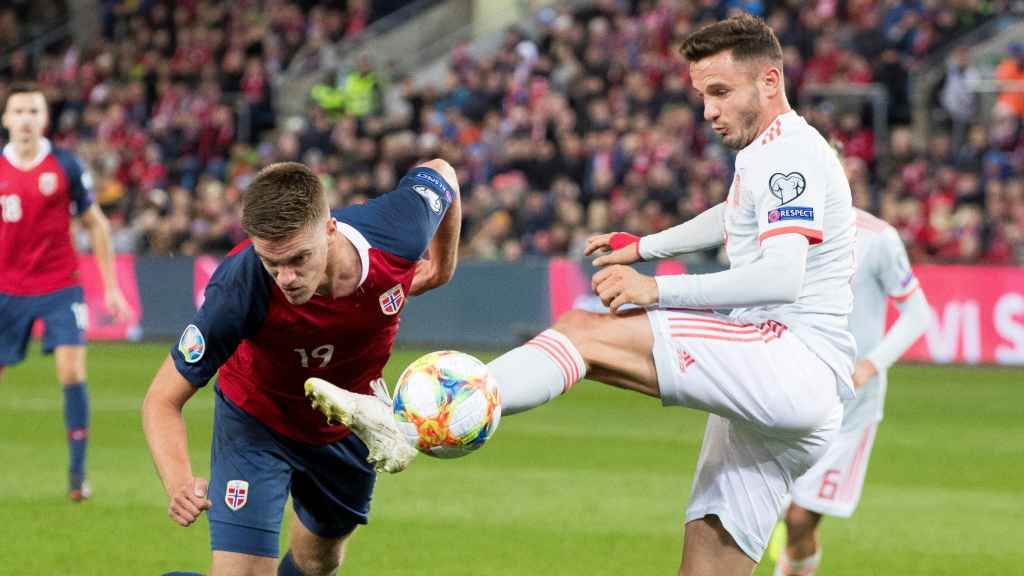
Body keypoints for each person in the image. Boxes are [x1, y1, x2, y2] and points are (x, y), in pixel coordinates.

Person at [311, 14, 855, 576]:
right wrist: (644, 246)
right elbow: (733, 215)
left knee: (585, 332)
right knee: (708, 564)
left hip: (790, 357)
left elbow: (781, 277)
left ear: (770, 82)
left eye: (719, 92)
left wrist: (656, 288)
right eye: (701, 95)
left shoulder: (789, 153)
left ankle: (414, 423)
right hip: (788, 400)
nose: (708, 110)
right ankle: (428, 417)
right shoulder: (769, 152)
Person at [141, 159, 460, 576]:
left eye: (298, 259)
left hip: (350, 421)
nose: (286, 277)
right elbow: (161, 399)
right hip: (257, 422)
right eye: (272, 263)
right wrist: (179, 481)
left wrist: (441, 268)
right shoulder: (239, 287)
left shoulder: (398, 230)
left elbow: (444, 173)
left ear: (329, 228)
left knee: (317, 562)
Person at [773, 207, 931, 576]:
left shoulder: (877, 238)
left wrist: (870, 365)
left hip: (849, 409)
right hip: (786, 393)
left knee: (800, 518)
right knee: (772, 512)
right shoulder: (779, 226)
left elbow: (918, 313)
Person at [0, 82, 132, 501]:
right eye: (18, 111)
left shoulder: (65, 166)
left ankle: (77, 476)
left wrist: (111, 288)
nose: (25, 119)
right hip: (6, 288)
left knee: (72, 372)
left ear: (45, 118)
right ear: (6, 119)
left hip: (60, 285)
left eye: (33, 111)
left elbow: (94, 223)